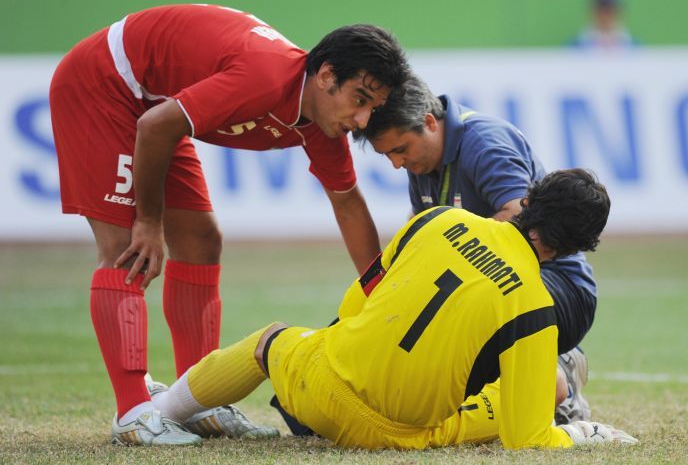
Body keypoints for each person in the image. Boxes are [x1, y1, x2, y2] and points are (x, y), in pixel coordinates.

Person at [48, 3, 410, 445]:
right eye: (360, 99)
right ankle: (133, 414)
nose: (363, 120)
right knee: (127, 246)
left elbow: (348, 205)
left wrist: (379, 294)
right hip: (104, 83)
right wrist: (148, 221)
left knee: (201, 242)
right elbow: (155, 126)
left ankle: (193, 402)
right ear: (326, 75)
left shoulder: (320, 123)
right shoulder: (265, 78)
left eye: (373, 108)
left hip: (156, 108)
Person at [149, 169, 636, 450]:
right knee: (531, 393)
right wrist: (583, 437)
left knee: (268, 339)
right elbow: (527, 440)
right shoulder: (535, 306)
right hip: (396, 436)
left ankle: (159, 413)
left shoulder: (438, 218)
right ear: (577, 248)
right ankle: (578, 415)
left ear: (527, 201)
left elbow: (355, 303)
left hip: (318, 390)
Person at [353, 74, 599, 424]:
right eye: (388, 154)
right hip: (498, 286)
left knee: (460, 309)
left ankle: (560, 376)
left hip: (557, 285)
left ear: (429, 122)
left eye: (400, 149)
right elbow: (422, 235)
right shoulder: (421, 160)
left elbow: (519, 219)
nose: (396, 163)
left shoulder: (485, 143)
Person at [570, 0, 636, 50]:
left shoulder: (635, 48)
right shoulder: (574, 47)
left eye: (609, 12)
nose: (605, 17)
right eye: (601, 12)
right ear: (592, 13)